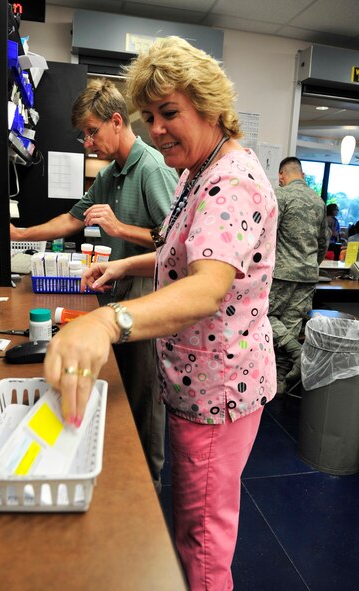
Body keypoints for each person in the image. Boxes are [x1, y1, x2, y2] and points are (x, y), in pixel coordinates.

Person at [44, 37, 277, 591]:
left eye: (170, 112)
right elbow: (183, 249)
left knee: (200, 542)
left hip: (217, 390)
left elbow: (205, 289)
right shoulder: (198, 172)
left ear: (212, 105)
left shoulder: (232, 181)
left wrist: (107, 321)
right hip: (193, 380)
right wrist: (126, 269)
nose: (157, 128)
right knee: (192, 522)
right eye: (150, 115)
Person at [12, 78, 178, 490]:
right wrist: (20, 234)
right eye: (82, 134)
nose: (86, 142)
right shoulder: (113, 172)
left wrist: (120, 227)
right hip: (120, 289)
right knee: (125, 390)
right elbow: (74, 218)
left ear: (117, 121)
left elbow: (175, 242)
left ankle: (148, 489)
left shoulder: (151, 167)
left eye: (91, 131)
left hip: (149, 293)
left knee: (144, 397)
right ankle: (125, 477)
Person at [268, 157, 329, 397]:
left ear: (282, 175)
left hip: (282, 273)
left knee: (264, 316)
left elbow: (268, 235)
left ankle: (298, 353)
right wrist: (311, 265)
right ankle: (280, 383)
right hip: (308, 275)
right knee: (291, 325)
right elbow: (323, 241)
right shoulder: (319, 201)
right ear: (302, 175)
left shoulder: (280, 196)